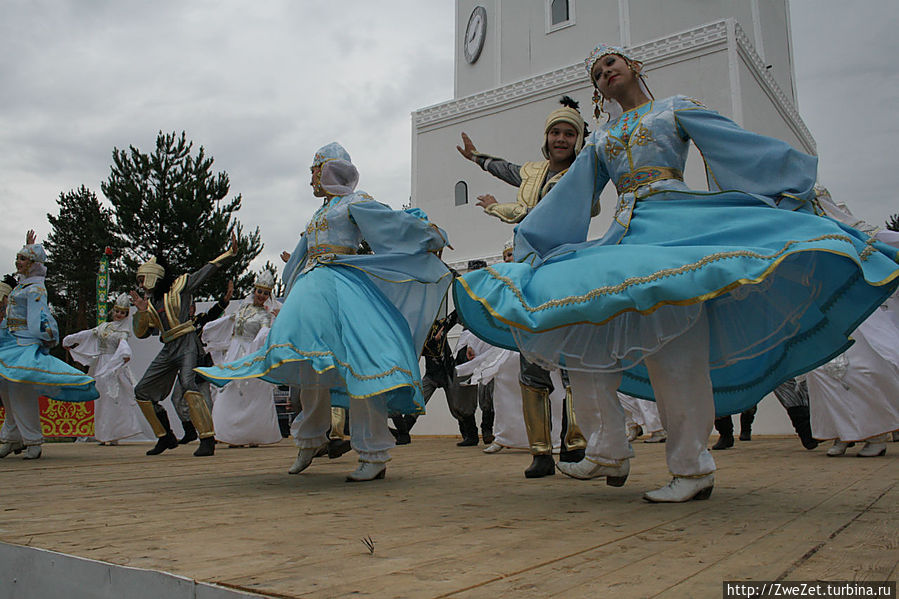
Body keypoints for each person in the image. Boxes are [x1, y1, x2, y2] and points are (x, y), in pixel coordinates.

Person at [452, 44, 899, 502]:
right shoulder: (603, 138)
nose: (606, 73)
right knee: (582, 328)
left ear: (633, 68)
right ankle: (606, 448)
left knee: (676, 351)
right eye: (597, 73)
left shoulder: (675, 109)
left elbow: (735, 146)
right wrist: (534, 239)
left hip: (678, 228)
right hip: (625, 237)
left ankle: (692, 467)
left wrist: (784, 182)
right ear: (596, 90)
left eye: (612, 64)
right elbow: (569, 193)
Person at [197, 142, 451, 482]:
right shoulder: (319, 212)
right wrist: (293, 271)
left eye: (314, 171)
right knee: (309, 358)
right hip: (312, 286)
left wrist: (425, 233)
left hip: (344, 284)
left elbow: (389, 224)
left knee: (361, 363)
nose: (311, 178)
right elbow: (304, 251)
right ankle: (309, 440)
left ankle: (373, 453)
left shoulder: (354, 203)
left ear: (328, 170)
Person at [457, 98, 590, 478]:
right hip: (529, 271)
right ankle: (541, 452)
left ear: (578, 140)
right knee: (531, 361)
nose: (561, 139)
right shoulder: (533, 171)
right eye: (556, 132)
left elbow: (537, 214)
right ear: (546, 137)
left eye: (570, 133)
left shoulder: (582, 171)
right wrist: (476, 159)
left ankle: (576, 444)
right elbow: (508, 169)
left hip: (565, 268)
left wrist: (499, 208)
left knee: (572, 364)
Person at [804, 191, 899, 458]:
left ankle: (876, 435)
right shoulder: (805, 240)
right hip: (824, 317)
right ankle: (843, 434)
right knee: (821, 374)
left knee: (863, 371)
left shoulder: (854, 237)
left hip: (857, 316)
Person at [130, 233, 237, 458]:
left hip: (187, 342)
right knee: (141, 391)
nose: (140, 284)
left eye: (142, 279)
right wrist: (140, 312)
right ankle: (165, 436)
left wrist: (229, 254)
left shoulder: (179, 286)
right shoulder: (150, 304)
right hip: (169, 346)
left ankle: (207, 438)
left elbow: (205, 271)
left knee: (189, 385)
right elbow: (142, 333)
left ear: (152, 277)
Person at [0, 232, 98, 460]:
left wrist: (43, 338)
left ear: (33, 265)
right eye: (18, 257)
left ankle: (33, 440)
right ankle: (11, 437)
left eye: (23, 259)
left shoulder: (35, 289)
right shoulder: (22, 287)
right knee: (6, 390)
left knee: (20, 392)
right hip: (12, 343)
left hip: (25, 344)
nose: (18, 262)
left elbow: (37, 319)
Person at [203, 271, 282, 447]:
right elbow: (228, 323)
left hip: (251, 352)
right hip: (234, 351)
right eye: (259, 291)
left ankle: (252, 435)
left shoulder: (265, 315)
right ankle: (230, 435)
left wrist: (276, 318)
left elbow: (264, 335)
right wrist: (211, 330)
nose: (261, 296)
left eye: (266, 293)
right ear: (254, 291)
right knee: (228, 390)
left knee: (253, 392)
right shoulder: (242, 308)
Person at [63, 293, 152, 445]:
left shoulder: (123, 331)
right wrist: (70, 340)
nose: (119, 315)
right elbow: (87, 334)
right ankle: (104, 435)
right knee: (101, 400)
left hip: (114, 365)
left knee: (114, 399)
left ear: (126, 315)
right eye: (117, 311)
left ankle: (114, 435)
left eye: (122, 313)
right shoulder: (104, 327)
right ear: (113, 311)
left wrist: (124, 354)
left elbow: (123, 345)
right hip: (101, 364)